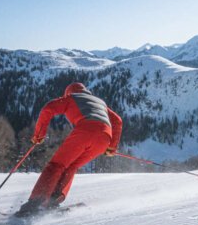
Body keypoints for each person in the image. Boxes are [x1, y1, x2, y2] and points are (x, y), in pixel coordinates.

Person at [15, 82, 123, 217]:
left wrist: (38, 135)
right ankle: (53, 200)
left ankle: (34, 204)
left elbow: (48, 109)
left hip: (86, 130)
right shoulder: (100, 102)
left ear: (68, 93)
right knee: (71, 166)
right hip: (105, 137)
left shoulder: (72, 98)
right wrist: (112, 146)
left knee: (56, 165)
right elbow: (117, 121)